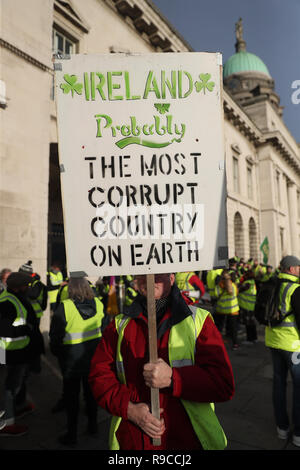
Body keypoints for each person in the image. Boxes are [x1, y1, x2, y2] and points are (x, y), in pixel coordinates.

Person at [89, 273, 235, 450]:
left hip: (186, 440)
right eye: (141, 274)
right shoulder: (119, 325)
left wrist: (174, 379)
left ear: (171, 278)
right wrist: (130, 409)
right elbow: (99, 377)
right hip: (134, 441)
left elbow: (223, 384)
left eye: (157, 273)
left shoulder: (199, 320)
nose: (149, 278)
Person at [49, 276, 105, 446]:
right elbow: (102, 328)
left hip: (71, 360)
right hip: (93, 357)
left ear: (71, 289)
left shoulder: (64, 307)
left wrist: (58, 354)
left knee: (72, 398)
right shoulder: (99, 304)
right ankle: (93, 426)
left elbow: (55, 337)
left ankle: (72, 435)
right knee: (91, 394)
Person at [0, 272, 44, 436]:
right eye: (26, 285)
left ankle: (19, 407)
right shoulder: (7, 302)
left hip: (21, 349)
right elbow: (3, 328)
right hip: (12, 351)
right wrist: (26, 329)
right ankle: (7, 424)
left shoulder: (15, 297)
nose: (29, 288)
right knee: (10, 387)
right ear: (18, 287)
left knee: (20, 381)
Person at [265, 255, 300, 447]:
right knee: (298, 387)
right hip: (293, 346)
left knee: (278, 385)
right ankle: (298, 433)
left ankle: (282, 427)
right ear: (291, 269)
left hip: (273, 342)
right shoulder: (295, 288)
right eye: (298, 267)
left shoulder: (272, 283)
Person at [214, 269, 240, 350]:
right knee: (233, 328)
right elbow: (236, 293)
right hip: (233, 310)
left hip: (221, 310)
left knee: (219, 327)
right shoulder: (233, 285)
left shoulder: (218, 286)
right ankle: (235, 343)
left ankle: (217, 343)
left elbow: (216, 295)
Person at [238, 270, 257, 343]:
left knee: (248, 324)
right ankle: (254, 338)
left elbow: (239, 290)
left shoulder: (247, 283)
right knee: (252, 324)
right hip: (251, 306)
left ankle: (250, 339)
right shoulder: (253, 282)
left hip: (246, 306)